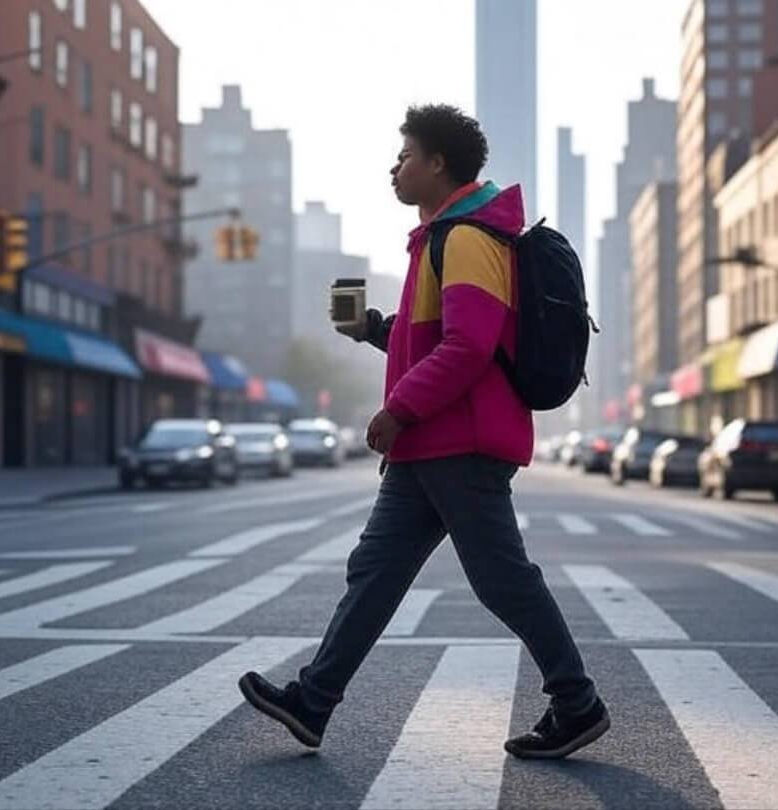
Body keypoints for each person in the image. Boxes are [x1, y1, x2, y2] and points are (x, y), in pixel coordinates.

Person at [239, 104, 607, 760]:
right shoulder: (442, 237)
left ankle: (576, 704)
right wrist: (379, 330)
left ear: (438, 164)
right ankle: (313, 704)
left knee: (502, 581)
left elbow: (469, 348)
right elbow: (439, 341)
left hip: (459, 442)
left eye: (405, 155)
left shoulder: (466, 238)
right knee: (374, 572)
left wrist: (397, 409)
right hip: (429, 446)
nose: (395, 167)